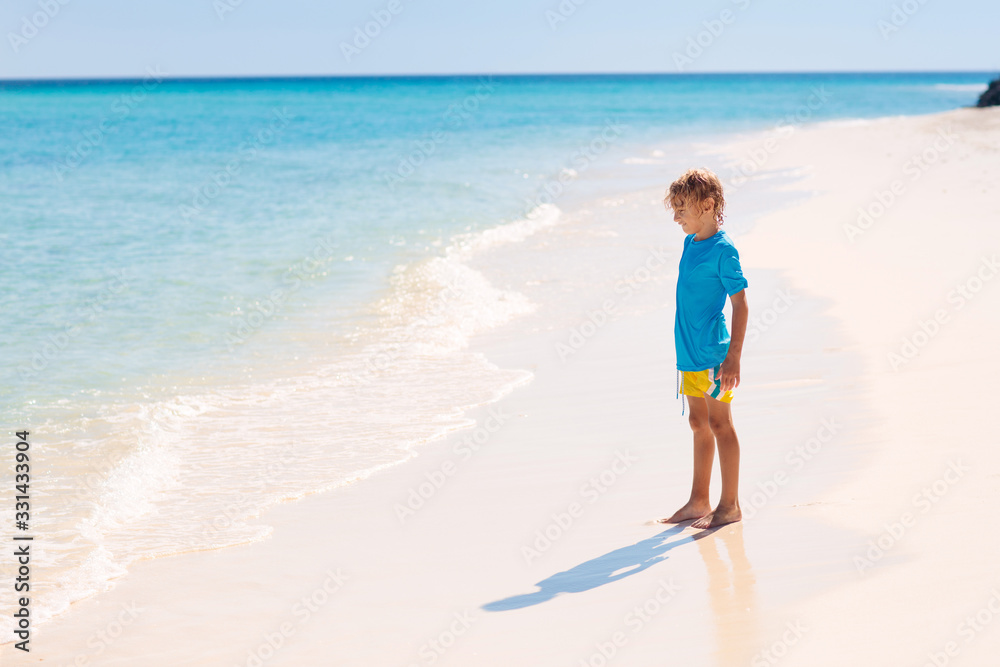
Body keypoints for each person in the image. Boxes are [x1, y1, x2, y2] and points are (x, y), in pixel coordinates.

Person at [659, 168, 748, 529]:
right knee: (698, 423)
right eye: (675, 209)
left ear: (708, 205)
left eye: (682, 208)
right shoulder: (690, 242)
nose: (676, 216)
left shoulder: (724, 251)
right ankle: (699, 501)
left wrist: (734, 358)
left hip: (714, 355)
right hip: (689, 355)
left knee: (719, 423)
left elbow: (741, 304)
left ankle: (730, 506)